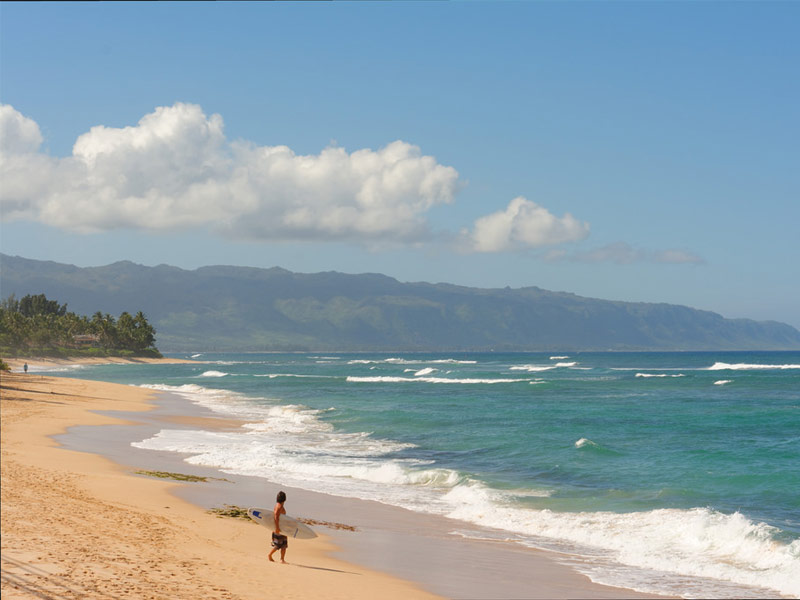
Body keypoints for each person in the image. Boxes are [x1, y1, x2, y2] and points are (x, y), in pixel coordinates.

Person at [268, 490, 288, 563]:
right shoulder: (279, 506)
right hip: (278, 528)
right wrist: (277, 528)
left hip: (282, 528)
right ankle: (270, 555)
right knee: (278, 545)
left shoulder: (280, 505)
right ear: (284, 499)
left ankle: (282, 559)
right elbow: (276, 517)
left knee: (284, 545)